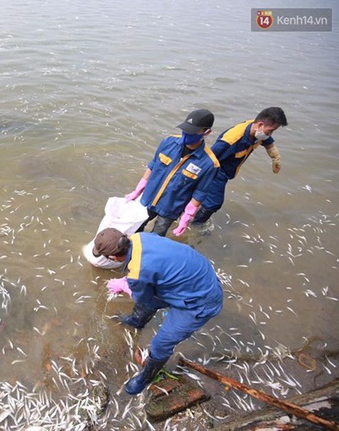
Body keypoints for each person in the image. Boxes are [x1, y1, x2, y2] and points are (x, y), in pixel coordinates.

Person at [93, 228, 223, 395]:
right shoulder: (139, 237)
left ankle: (146, 377)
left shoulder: (139, 273)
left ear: (112, 257)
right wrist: (132, 283)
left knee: (160, 344)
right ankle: (137, 320)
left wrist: (126, 286)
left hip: (200, 301)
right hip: (197, 275)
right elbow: (152, 270)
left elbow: (144, 298)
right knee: (146, 292)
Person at [125, 109, 219, 237]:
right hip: (149, 197)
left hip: (170, 208)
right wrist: (138, 190)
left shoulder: (209, 163)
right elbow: (152, 166)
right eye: (186, 129)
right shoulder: (168, 142)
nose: (187, 134)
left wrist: (187, 217)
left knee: (156, 237)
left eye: (193, 131)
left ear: (207, 132)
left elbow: (200, 193)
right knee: (134, 228)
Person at [192, 107, 288, 225]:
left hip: (227, 170)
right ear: (260, 125)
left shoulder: (258, 131)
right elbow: (209, 158)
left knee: (207, 198)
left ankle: (193, 208)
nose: (270, 134)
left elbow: (268, 141)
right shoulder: (231, 140)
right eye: (270, 131)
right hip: (217, 170)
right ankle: (196, 224)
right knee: (214, 203)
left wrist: (275, 156)